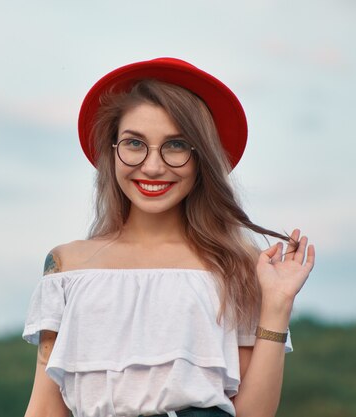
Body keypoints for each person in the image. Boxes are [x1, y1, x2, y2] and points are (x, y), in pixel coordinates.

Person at [22, 57, 315, 417]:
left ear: (200, 158)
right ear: (112, 151)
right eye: (134, 143)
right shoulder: (67, 269)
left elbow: (253, 414)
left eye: (175, 145)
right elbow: (47, 408)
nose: (153, 166)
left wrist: (277, 306)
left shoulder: (236, 267)